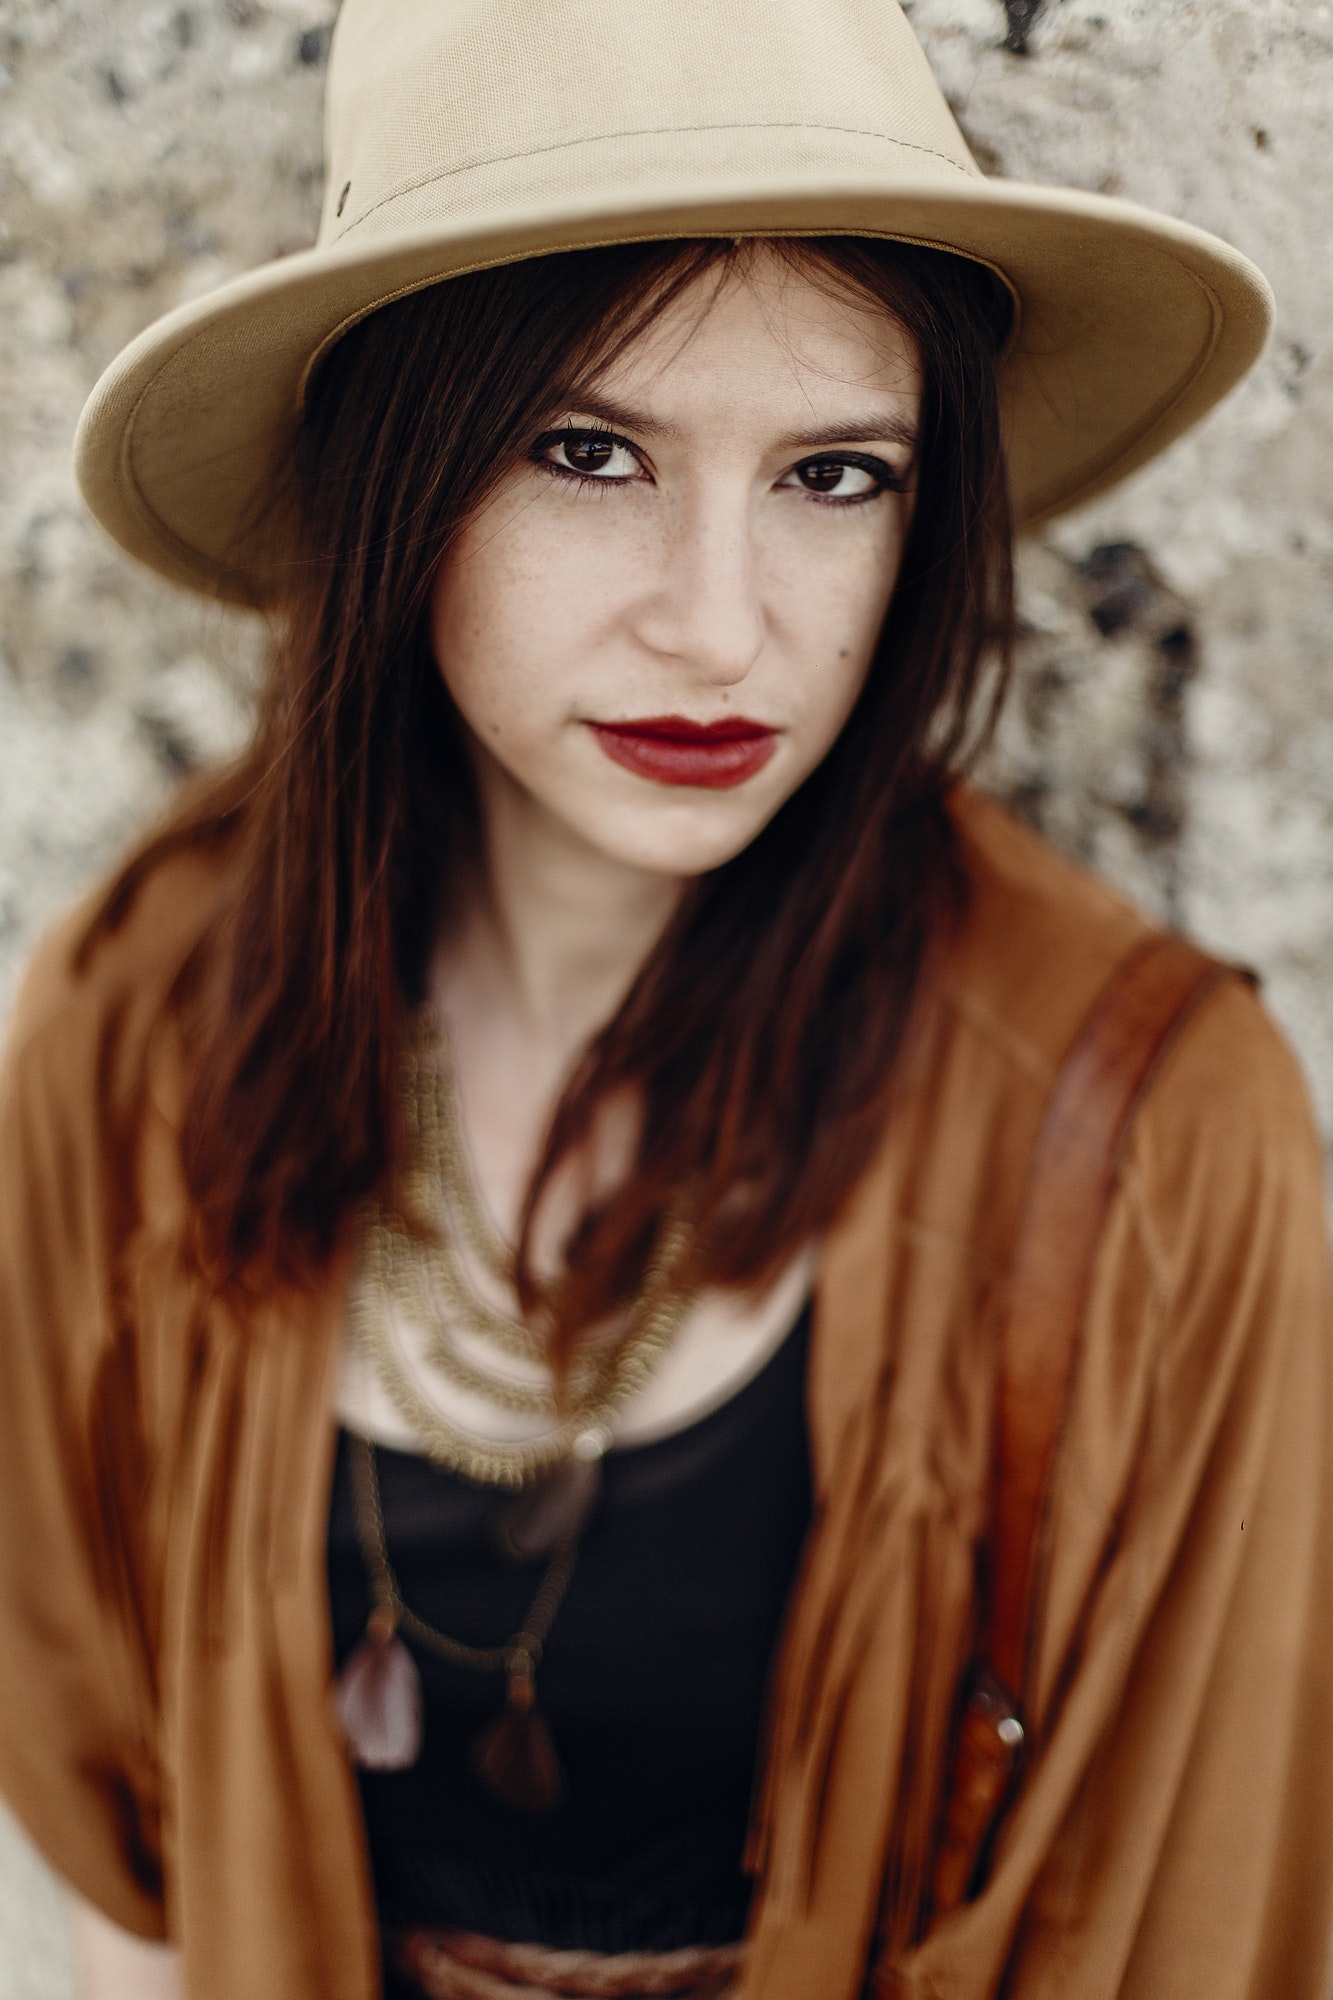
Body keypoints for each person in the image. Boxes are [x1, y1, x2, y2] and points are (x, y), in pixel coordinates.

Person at [1, 1, 1331, 1996]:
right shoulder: (139, 1021)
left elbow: (1181, 1925)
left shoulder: (1156, 1140)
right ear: (397, 471)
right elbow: (129, 1884)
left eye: (832, 475)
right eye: (588, 448)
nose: (720, 623)